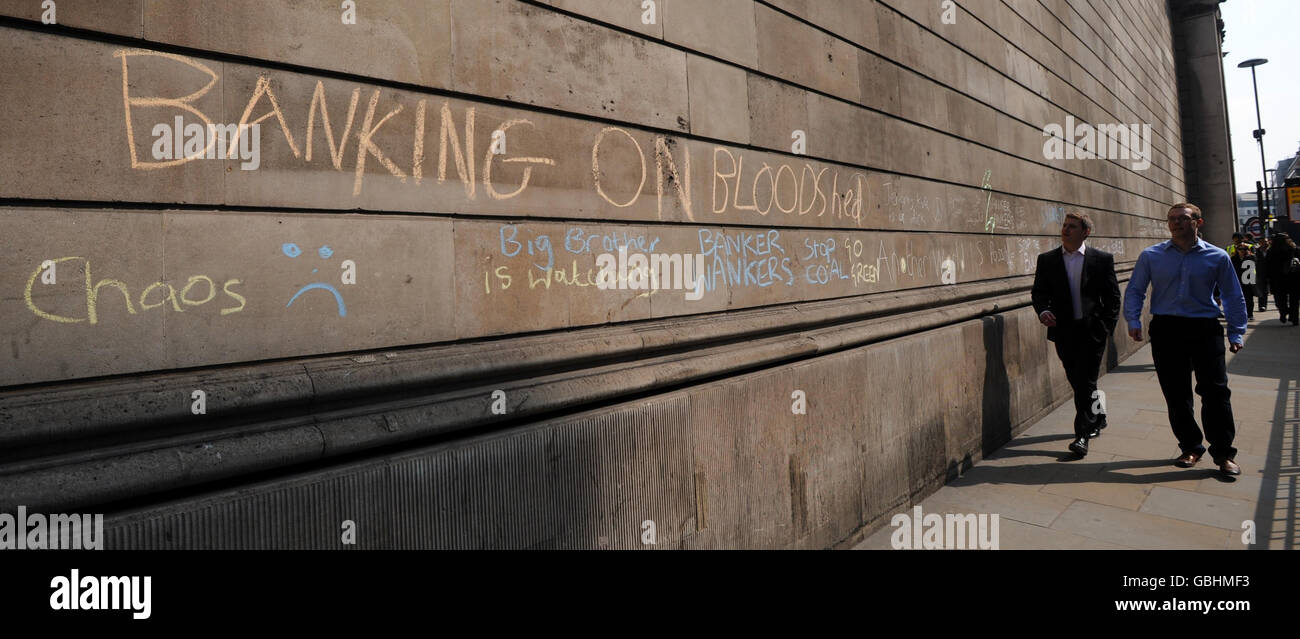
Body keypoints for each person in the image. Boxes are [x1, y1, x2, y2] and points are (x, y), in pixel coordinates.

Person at [1124, 203, 1247, 475]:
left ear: (1197, 223)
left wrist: (1236, 331)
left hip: (1204, 328)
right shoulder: (1151, 256)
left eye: (1183, 218)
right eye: (1172, 219)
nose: (1177, 223)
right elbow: (1135, 290)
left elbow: (1232, 295)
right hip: (1167, 330)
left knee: (1215, 392)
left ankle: (1224, 454)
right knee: (1176, 394)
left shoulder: (1217, 257)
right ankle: (1191, 447)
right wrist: (1133, 320)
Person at [1032, 211, 1120, 457]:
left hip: (1092, 331)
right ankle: (1099, 412)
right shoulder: (1047, 260)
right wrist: (1043, 311)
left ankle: (1082, 435)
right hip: (1063, 331)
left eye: (1072, 226)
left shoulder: (1101, 259)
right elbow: (1039, 293)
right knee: (1078, 379)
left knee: (1085, 380)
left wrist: (1106, 328)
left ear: (1085, 232)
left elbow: (1113, 297)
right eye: (1064, 225)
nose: (1066, 230)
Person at [1265, 232, 1299, 325]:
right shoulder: (1294, 249)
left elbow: (1267, 266)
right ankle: (1294, 317)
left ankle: (1283, 312)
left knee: (1280, 298)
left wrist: (1267, 278)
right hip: (1293, 278)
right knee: (1294, 299)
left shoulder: (1271, 251)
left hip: (1277, 279)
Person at [1229, 234, 1256, 320]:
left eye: (1244, 249)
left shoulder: (1250, 257)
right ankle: (1240, 313)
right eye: (1240, 249)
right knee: (1238, 298)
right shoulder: (1233, 259)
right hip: (1237, 280)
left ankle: (1250, 314)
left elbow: (1256, 264)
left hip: (1248, 279)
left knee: (1249, 298)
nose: (1242, 251)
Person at [1256, 236, 1269, 312]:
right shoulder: (1256, 251)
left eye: (1266, 241)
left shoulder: (1271, 250)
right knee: (1262, 290)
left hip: (1271, 273)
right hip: (1261, 273)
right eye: (1263, 242)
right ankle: (1262, 305)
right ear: (1260, 243)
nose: (1265, 243)